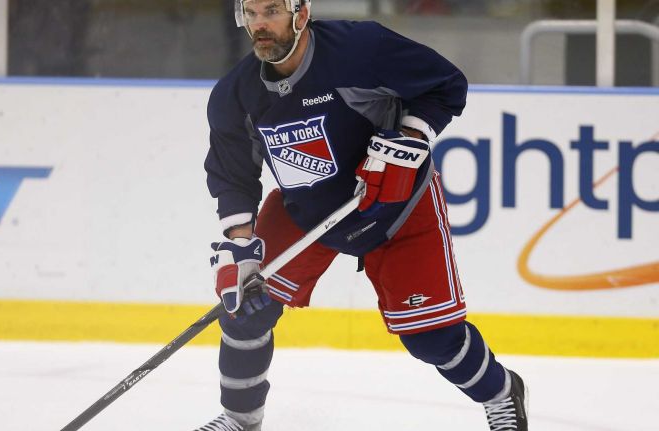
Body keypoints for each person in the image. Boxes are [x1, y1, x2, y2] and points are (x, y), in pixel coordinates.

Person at [199, 1, 529, 430]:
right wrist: (241, 246)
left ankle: (502, 393)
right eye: (251, 13)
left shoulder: (360, 49)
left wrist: (410, 137)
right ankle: (240, 419)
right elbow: (233, 175)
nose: (259, 24)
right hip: (306, 210)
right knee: (245, 310)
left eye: (272, 10)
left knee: (431, 339)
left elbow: (446, 84)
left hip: (397, 206)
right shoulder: (235, 94)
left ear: (301, 13)